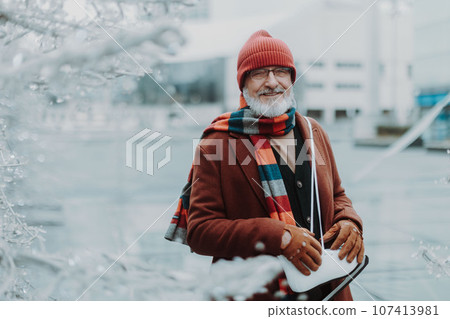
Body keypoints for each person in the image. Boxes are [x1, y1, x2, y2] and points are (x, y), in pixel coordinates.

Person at [165, 30, 364, 301]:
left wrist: (349, 222)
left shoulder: (313, 131)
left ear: (292, 79)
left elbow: (338, 195)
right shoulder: (218, 142)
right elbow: (200, 232)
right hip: (256, 295)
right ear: (243, 84)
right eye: (259, 73)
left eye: (281, 71)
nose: (272, 82)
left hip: (328, 288)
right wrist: (275, 236)